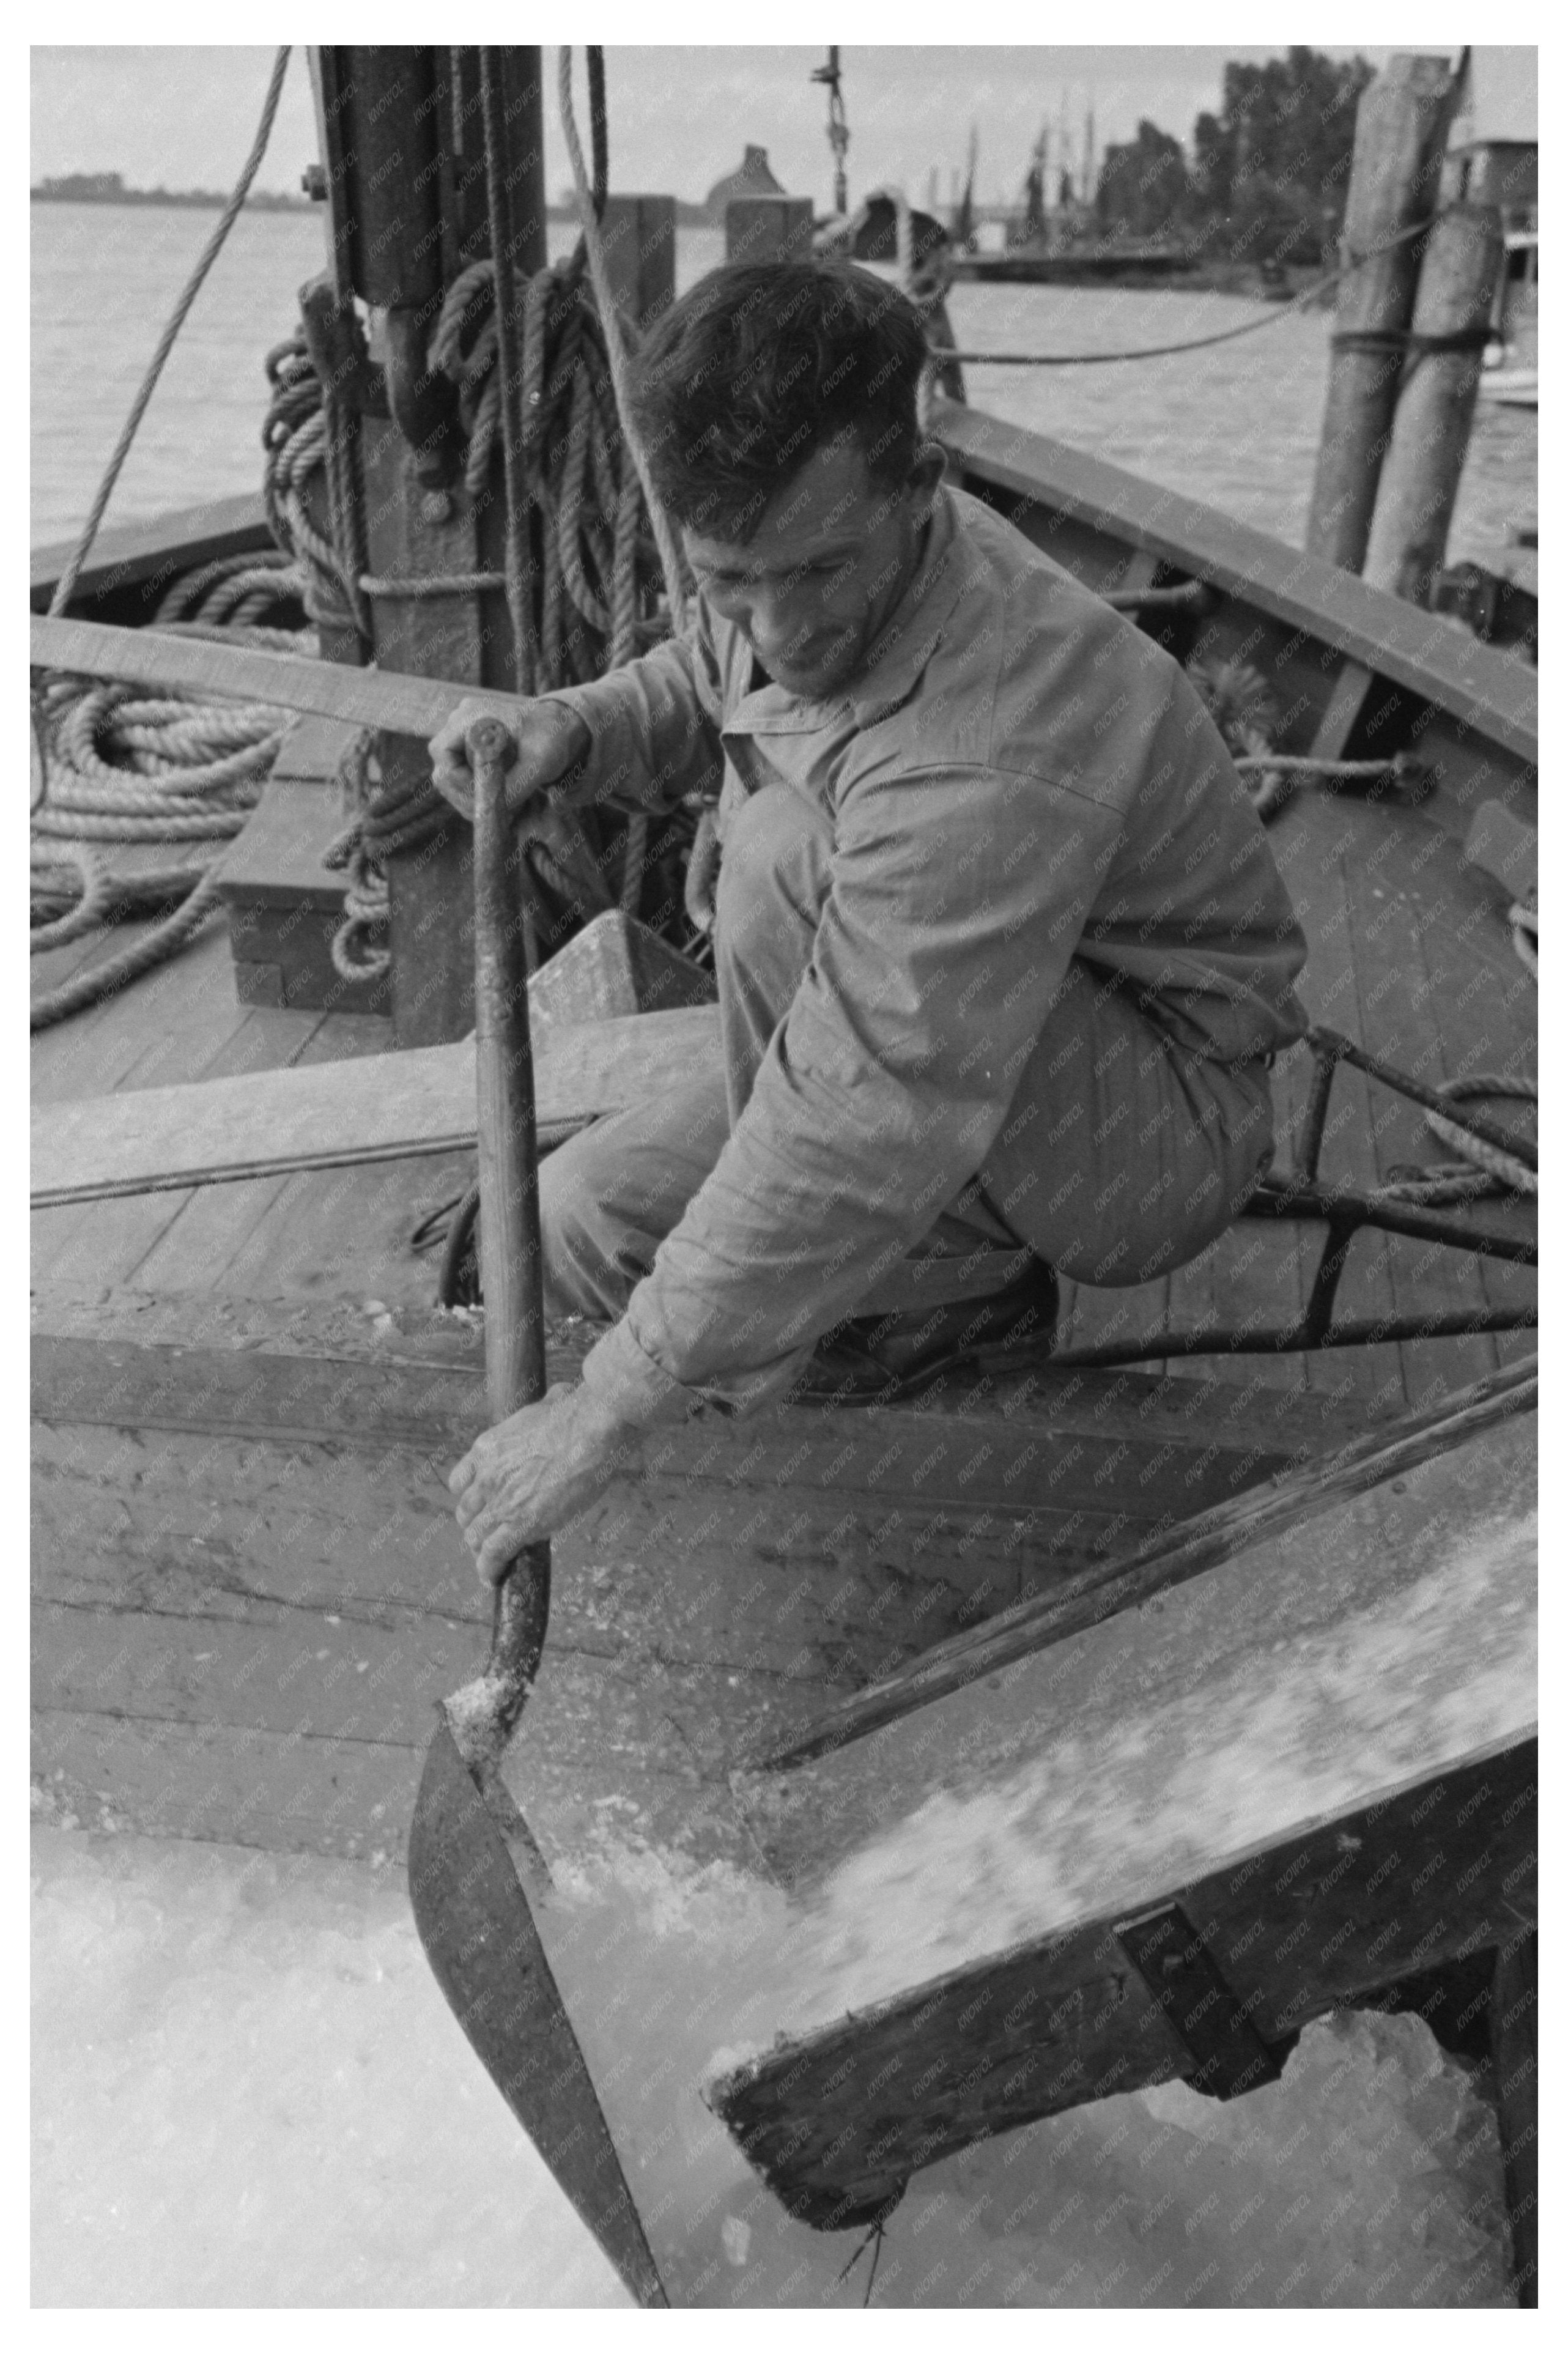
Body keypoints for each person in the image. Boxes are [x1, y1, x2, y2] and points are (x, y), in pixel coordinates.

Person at [434, 260, 1308, 1584]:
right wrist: (584, 725)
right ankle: (830, 1292)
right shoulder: (805, 569)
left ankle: (939, 1308)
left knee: (783, 856)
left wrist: (608, 1409)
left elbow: (865, 1103)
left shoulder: (994, 737)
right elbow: (717, 669)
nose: (783, 629)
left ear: (918, 484)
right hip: (942, 1035)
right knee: (572, 1218)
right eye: (734, 579)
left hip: (1149, 1118)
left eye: (820, 569)